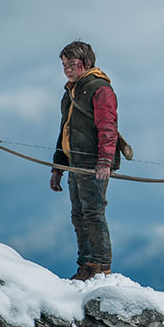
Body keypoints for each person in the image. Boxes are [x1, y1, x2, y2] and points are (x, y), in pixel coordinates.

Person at [50, 41, 120, 281]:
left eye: (71, 64)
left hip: (93, 165)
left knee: (93, 213)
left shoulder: (100, 89)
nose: (67, 69)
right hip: (73, 163)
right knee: (78, 214)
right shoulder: (70, 91)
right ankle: (86, 265)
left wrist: (104, 161)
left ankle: (101, 266)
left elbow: (108, 128)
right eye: (64, 65)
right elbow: (64, 130)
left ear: (86, 64)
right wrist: (57, 167)